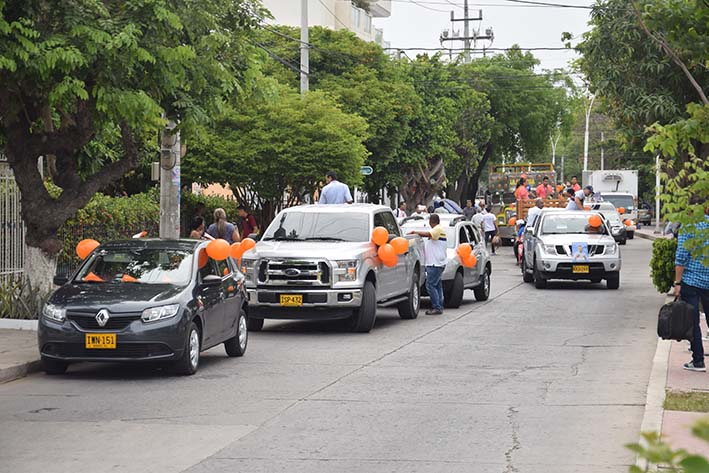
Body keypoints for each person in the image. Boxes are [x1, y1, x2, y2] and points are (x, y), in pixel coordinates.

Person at [673, 200, 709, 372]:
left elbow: (681, 258)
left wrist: (677, 283)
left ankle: (698, 361)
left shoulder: (687, 228)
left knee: (693, 321)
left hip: (691, 282)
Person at [408, 214, 447, 315]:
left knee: (430, 285)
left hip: (435, 263)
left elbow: (428, 234)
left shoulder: (437, 229)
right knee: (437, 285)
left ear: (431, 221)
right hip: (436, 262)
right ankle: (439, 305)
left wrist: (415, 232)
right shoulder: (438, 230)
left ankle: (437, 307)